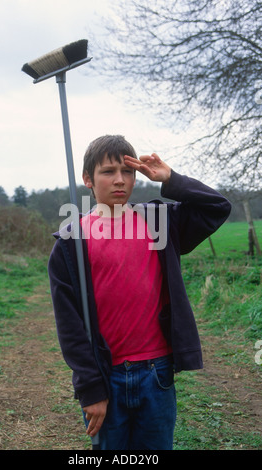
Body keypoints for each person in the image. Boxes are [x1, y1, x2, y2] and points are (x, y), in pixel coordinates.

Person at [48, 135, 231, 450]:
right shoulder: (71, 243)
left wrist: (170, 179)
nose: (120, 180)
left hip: (155, 373)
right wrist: (91, 388)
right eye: (108, 171)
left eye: (127, 171)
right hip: (106, 378)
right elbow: (70, 327)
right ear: (88, 179)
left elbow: (217, 207)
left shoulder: (159, 222)